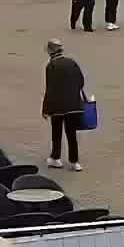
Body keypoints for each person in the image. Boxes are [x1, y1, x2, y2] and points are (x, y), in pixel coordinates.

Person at [41, 40, 86, 172]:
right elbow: (81, 81)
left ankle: (56, 158)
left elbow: (49, 89)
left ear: (50, 51)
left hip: (57, 106)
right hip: (74, 104)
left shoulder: (51, 66)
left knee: (57, 132)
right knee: (71, 133)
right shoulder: (72, 62)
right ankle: (74, 161)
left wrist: (45, 109)